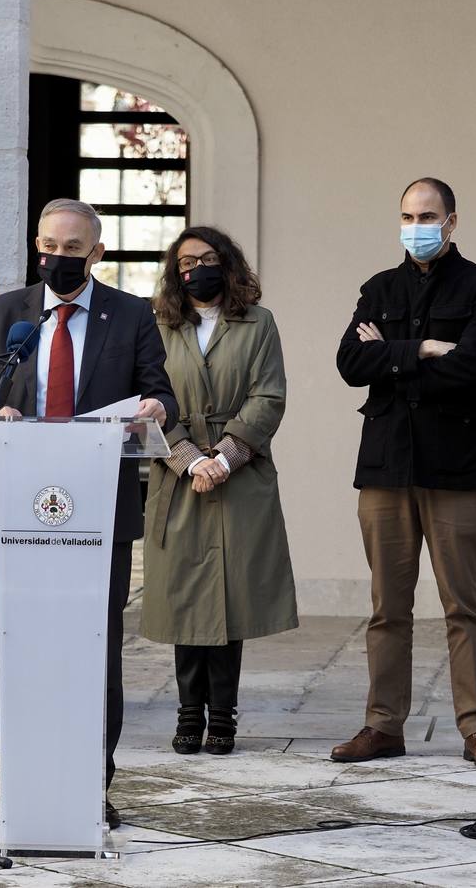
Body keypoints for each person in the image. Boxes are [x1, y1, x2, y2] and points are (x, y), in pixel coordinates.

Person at [0, 198, 177, 826]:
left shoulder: (130, 315)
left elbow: (159, 391)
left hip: (98, 507)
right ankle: (25, 781)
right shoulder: (7, 315)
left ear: (96, 254)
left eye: (72, 250)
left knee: (93, 648)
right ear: (36, 243)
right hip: (23, 507)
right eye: (48, 246)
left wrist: (157, 409)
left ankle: (91, 785)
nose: (56, 258)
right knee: (23, 645)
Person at [332, 177, 476, 770]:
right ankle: (382, 725)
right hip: (386, 467)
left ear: (452, 221)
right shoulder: (378, 287)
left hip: (455, 468)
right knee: (388, 607)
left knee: (463, 604)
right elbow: (350, 363)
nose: (417, 225)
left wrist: (393, 354)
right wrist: (426, 349)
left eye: (428, 215)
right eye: (408, 215)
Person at [140, 225, 298, 756]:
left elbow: (268, 397)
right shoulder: (158, 324)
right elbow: (147, 397)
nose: (195, 270)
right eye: (185, 263)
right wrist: (189, 459)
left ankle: (223, 717)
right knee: (186, 599)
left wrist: (224, 458)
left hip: (240, 475)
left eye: (207, 259)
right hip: (178, 474)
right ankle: (188, 714)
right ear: (174, 272)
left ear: (227, 264)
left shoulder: (259, 323)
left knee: (229, 602)